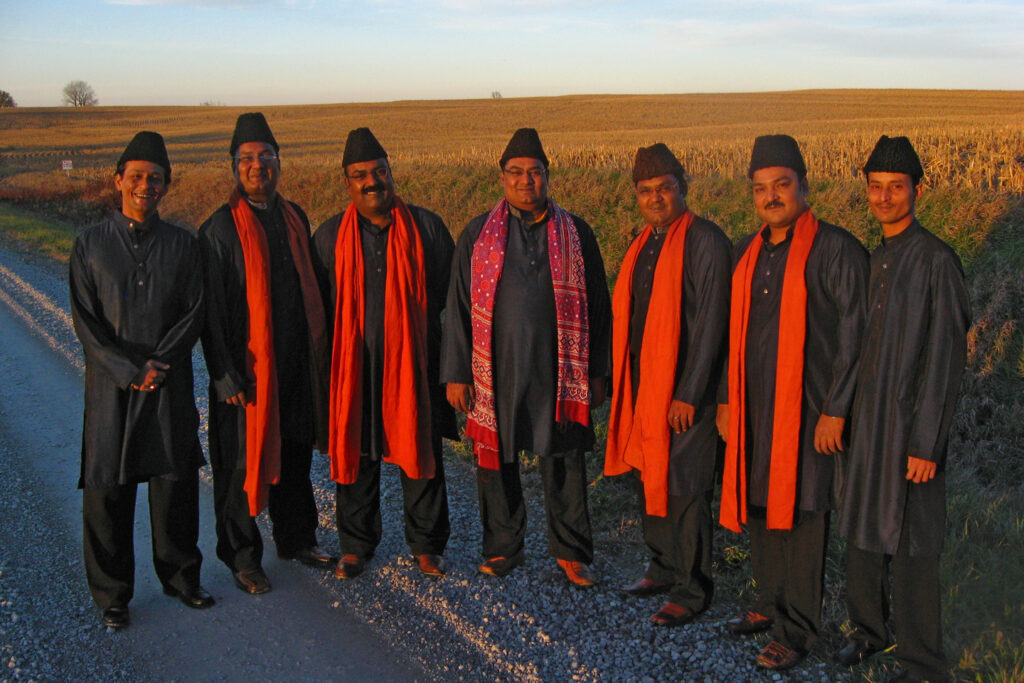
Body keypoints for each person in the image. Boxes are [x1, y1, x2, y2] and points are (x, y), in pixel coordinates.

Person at [718, 134, 869, 669]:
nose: (772, 197)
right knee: (760, 506)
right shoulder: (746, 252)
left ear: (805, 186)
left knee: (802, 516)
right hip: (754, 407)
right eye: (761, 188)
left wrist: (836, 408)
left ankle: (798, 631)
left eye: (782, 185)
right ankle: (766, 605)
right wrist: (726, 400)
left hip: (807, 414)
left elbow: (856, 335)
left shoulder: (837, 249)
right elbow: (729, 338)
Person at [441, 128, 611, 586]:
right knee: (497, 459)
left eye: (535, 172)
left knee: (565, 457)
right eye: (515, 172)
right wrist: (457, 373)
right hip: (497, 368)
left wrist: (597, 372)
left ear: (547, 176)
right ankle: (503, 548)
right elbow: (456, 307)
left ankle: (571, 551)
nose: (525, 181)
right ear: (502, 177)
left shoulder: (576, 232)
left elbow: (599, 304)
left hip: (561, 368)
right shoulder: (478, 233)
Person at [836, 136, 969, 683]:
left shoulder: (937, 259)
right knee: (862, 528)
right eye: (876, 187)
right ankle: (869, 633)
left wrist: (926, 443)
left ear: (917, 189)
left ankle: (922, 662)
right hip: (868, 423)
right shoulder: (874, 259)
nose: (885, 197)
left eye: (896, 187)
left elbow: (946, 358)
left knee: (915, 545)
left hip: (913, 430)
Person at [70, 131, 213, 629]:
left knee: (174, 482)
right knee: (108, 487)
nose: (145, 185)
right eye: (136, 177)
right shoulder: (88, 244)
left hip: (168, 382)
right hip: (111, 389)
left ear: (166, 186)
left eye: (155, 178)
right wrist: (132, 370)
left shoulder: (182, 244)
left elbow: (194, 311)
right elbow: (86, 323)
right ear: (118, 182)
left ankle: (181, 579)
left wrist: (160, 363)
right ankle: (112, 595)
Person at [310, 127, 456, 579]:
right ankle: (356, 545)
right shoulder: (330, 236)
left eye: (379, 171)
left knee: (421, 450)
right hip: (355, 366)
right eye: (360, 175)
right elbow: (320, 308)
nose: (372, 181)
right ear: (347, 183)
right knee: (358, 452)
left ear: (391, 173)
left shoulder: (428, 228)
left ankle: (427, 545)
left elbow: (451, 301)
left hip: (415, 364)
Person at [199, 113, 333, 595]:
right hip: (245, 372)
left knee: (294, 455)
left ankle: (297, 538)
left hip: (296, 364)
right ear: (234, 166)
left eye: (266, 157)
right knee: (239, 464)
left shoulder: (295, 216)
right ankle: (241, 556)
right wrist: (223, 374)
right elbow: (209, 313)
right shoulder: (218, 230)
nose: (258, 167)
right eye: (247, 159)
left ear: (280, 162)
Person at [605, 144, 731, 625]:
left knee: (685, 487)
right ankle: (661, 566)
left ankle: (692, 589)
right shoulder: (645, 242)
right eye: (645, 191)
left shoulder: (706, 241)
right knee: (649, 476)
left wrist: (689, 392)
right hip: (644, 386)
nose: (655, 198)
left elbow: (712, 326)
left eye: (665, 188)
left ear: (684, 187)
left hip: (686, 395)